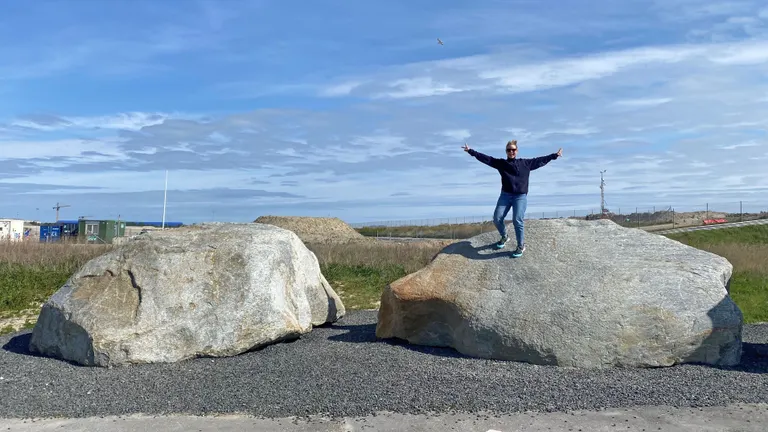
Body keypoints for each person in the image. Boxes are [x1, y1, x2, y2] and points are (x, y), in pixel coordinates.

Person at [463, 140, 562, 257]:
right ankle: (504, 236)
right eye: (509, 150)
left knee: (517, 220)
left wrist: (554, 156)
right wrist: (471, 151)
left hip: (520, 196)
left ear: (517, 151)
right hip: (505, 195)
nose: (511, 152)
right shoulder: (502, 164)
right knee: (497, 218)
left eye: (513, 150)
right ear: (506, 152)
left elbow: (540, 160)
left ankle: (521, 245)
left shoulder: (526, 163)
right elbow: (487, 159)